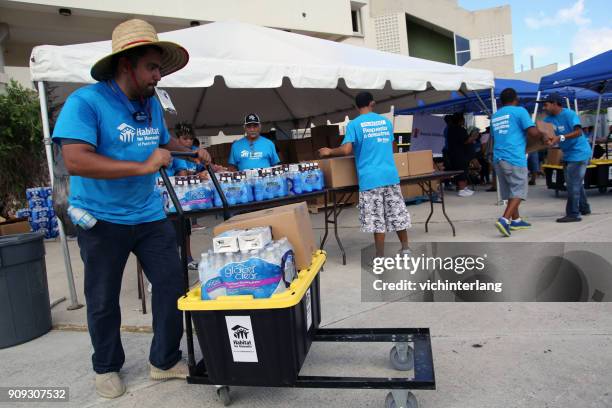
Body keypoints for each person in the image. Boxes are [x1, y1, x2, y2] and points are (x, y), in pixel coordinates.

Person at [51, 19, 211, 398]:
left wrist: (189, 151)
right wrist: (142, 166)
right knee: (103, 298)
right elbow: (75, 160)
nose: (159, 75)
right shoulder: (86, 103)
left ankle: (164, 360)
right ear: (127, 65)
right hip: (101, 218)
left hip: (148, 213)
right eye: (152, 68)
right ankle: (106, 366)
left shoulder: (151, 103)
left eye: (160, 68)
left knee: (172, 284)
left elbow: (161, 141)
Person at [318, 92, 411, 259]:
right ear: (372, 103)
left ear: (356, 106)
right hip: (390, 176)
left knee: (377, 220)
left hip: (370, 179)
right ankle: (405, 249)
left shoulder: (354, 125)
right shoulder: (386, 122)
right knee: (397, 213)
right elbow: (393, 147)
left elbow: (346, 150)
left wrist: (329, 151)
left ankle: (380, 256)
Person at [491, 88, 551, 237]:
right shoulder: (520, 111)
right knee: (519, 190)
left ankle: (516, 220)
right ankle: (504, 220)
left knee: (511, 190)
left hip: (498, 158)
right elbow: (532, 132)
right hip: (514, 157)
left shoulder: (495, 116)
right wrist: (543, 133)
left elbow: (494, 137)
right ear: (515, 98)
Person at [539, 93, 593, 222]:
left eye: (546, 105)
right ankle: (584, 208)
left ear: (555, 103)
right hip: (568, 154)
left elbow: (579, 132)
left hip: (579, 153)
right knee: (576, 183)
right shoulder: (547, 120)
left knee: (572, 184)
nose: (544, 108)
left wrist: (560, 137)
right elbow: (545, 134)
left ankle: (573, 214)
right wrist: (546, 139)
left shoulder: (569, 114)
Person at [446, 113, 477, 196]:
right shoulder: (458, 129)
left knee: (464, 171)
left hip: (456, 154)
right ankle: (462, 189)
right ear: (460, 120)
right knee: (461, 171)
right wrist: (474, 136)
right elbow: (466, 141)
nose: (464, 121)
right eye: (463, 119)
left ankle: (465, 188)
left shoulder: (451, 129)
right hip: (460, 154)